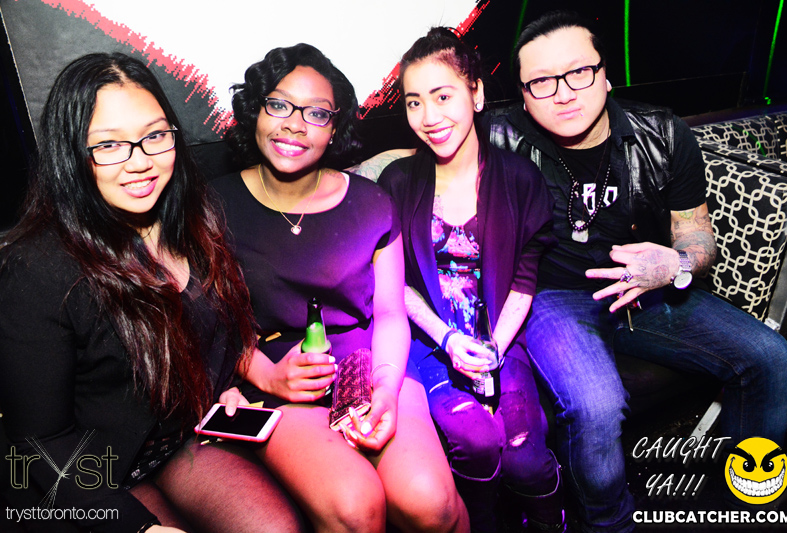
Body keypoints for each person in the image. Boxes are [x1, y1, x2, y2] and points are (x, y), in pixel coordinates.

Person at [486, 10, 787, 532]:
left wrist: (675, 263)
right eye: (541, 82)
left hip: (646, 291)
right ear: (523, 95)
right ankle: (608, 523)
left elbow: (698, 238)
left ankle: (744, 504)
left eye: (578, 72)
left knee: (769, 356)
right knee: (597, 405)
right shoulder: (499, 138)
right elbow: (419, 148)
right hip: (553, 296)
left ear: (605, 74)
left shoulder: (663, 135)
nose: (562, 93)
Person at [0, 53, 304, 533]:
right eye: (109, 144)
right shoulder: (38, 268)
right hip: (91, 470)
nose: (141, 161)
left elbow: (206, 331)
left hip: (177, 441)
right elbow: (39, 440)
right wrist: (139, 529)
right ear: (71, 152)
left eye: (155, 136)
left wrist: (218, 383)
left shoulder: (192, 219)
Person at [212, 43, 468, 533]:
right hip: (276, 375)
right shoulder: (210, 206)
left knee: (430, 503)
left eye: (316, 113)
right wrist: (266, 376)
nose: (294, 124)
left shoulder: (372, 202)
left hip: (373, 362)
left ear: (334, 129)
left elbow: (390, 313)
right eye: (279, 105)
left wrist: (387, 390)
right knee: (355, 507)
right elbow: (205, 323)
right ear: (255, 111)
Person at [377, 28, 563, 533]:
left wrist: (495, 347)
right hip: (431, 342)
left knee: (526, 457)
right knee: (476, 442)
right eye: (414, 102)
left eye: (443, 96)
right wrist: (448, 339)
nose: (429, 117)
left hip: (501, 336)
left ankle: (554, 521)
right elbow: (395, 285)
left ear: (476, 94)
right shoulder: (397, 182)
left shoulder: (520, 179)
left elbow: (525, 276)